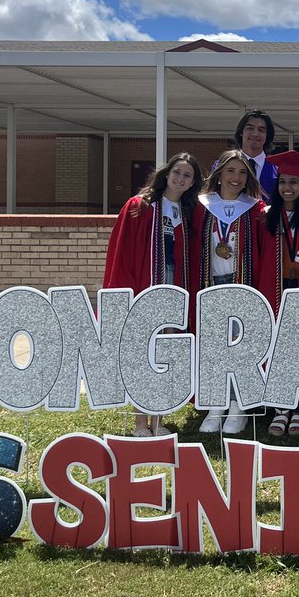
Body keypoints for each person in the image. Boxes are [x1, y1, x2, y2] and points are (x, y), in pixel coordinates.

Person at [103, 152, 204, 437]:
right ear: (166, 172)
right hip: (145, 291)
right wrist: (124, 293)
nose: (181, 178)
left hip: (175, 291)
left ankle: (158, 421)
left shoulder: (190, 211)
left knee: (165, 357)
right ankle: (139, 423)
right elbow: (122, 252)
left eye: (188, 175)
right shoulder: (140, 206)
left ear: (193, 182)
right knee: (142, 357)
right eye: (177, 172)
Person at [256, 151, 299, 438]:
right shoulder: (265, 217)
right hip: (275, 287)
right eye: (283, 181)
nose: (287, 187)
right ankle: (280, 407)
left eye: (294, 182)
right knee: (277, 346)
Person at [196, 149, 265, 435]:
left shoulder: (255, 209)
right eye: (230, 171)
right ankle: (215, 406)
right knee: (214, 347)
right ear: (219, 174)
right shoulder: (202, 206)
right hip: (211, 283)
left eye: (241, 173)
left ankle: (238, 408)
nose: (235, 178)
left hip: (243, 284)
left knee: (240, 349)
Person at [233, 109, 279, 200]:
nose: (255, 134)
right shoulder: (223, 166)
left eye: (261, 130)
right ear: (241, 132)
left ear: (267, 135)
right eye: (250, 128)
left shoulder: (278, 171)